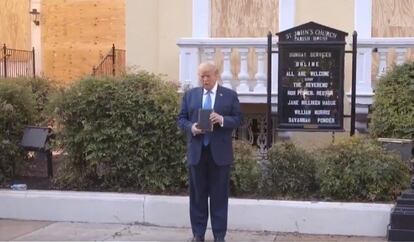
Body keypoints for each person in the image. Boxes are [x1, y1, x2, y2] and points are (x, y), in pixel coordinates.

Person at [177, 62, 242, 242]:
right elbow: (181, 119)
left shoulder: (229, 96)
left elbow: (238, 119)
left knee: (219, 197)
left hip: (219, 156)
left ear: (216, 75)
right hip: (197, 153)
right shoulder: (190, 95)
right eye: (201, 76)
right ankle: (198, 234)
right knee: (197, 196)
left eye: (207, 76)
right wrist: (192, 127)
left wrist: (222, 119)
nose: (204, 79)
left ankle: (219, 236)